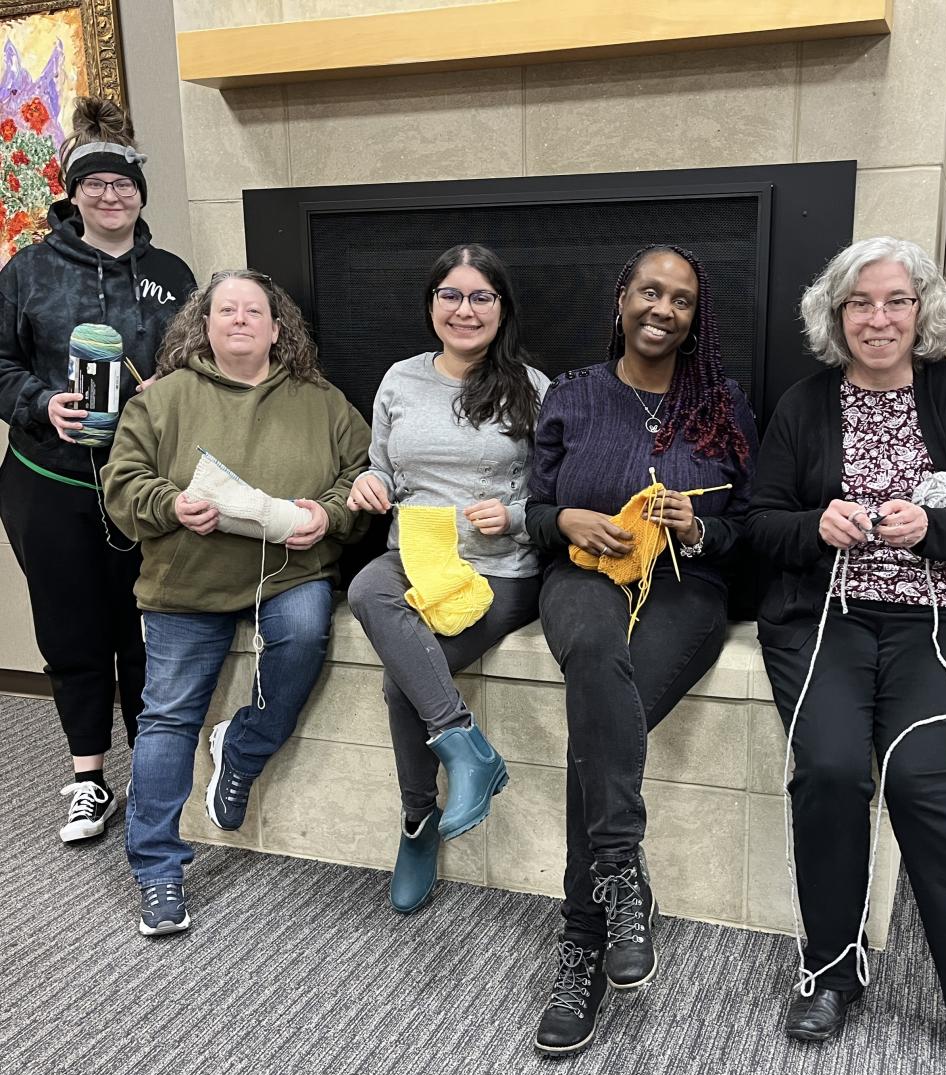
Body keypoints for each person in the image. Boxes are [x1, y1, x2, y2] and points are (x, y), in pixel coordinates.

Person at [747, 237, 946, 1075]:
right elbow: (760, 520)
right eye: (861, 303)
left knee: (918, 783)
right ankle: (833, 970)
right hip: (825, 616)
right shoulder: (802, 404)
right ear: (838, 316)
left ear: (922, 311)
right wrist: (813, 527)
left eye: (896, 301)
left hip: (936, 622)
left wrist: (931, 532)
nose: (878, 318)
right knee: (828, 771)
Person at [525, 243, 757, 1056]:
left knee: (599, 733)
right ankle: (619, 877)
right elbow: (531, 506)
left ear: (697, 318)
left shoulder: (722, 403)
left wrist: (702, 528)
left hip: (688, 588)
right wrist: (564, 520)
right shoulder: (574, 394)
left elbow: (749, 527)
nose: (663, 308)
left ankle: (583, 939)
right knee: (592, 657)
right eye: (649, 292)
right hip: (582, 573)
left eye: (682, 299)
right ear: (622, 298)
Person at [101, 269, 369, 936]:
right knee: (165, 716)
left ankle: (243, 748)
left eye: (256, 311)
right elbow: (122, 481)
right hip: (185, 582)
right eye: (228, 311)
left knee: (308, 631)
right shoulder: (163, 402)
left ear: (279, 330)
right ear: (206, 325)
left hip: (288, 574)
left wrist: (329, 514)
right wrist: (169, 504)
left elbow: (363, 474)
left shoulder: (322, 400)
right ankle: (158, 871)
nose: (241, 320)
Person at [0, 97, 194, 843]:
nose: (111, 196)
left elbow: (201, 366)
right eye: (96, 185)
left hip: (145, 486)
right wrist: (40, 403)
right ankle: (88, 777)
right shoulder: (27, 271)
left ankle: (152, 770)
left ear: (140, 193)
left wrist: (168, 391)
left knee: (146, 632)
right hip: (49, 483)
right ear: (72, 193)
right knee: (73, 632)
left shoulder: (174, 274)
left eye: (124, 185)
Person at [345, 244, 549, 913]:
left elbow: (558, 498)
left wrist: (516, 516)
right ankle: (465, 748)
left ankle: (416, 823)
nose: (465, 310)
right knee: (366, 587)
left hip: (499, 572)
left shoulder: (535, 387)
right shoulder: (400, 380)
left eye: (481, 297)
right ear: (432, 304)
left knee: (405, 681)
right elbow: (382, 469)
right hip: (418, 559)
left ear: (502, 308)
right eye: (451, 296)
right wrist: (371, 483)